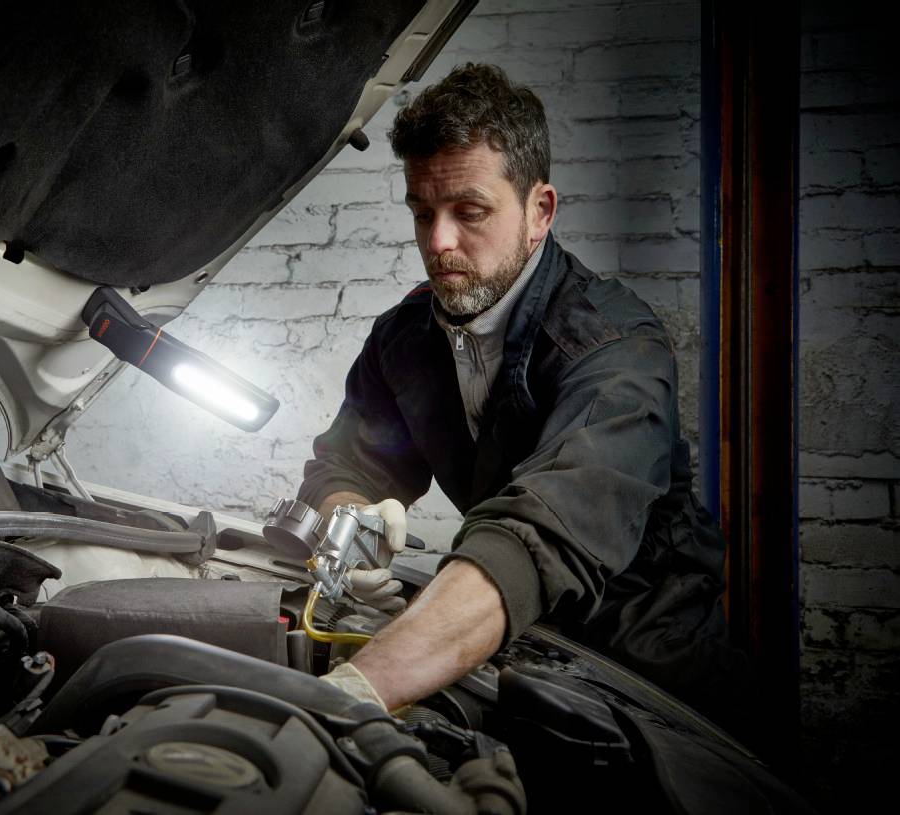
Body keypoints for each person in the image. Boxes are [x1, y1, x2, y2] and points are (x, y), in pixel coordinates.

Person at [301, 63, 745, 728]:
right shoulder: (403, 340)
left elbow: (539, 536)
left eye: (468, 211)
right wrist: (354, 525)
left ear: (539, 211)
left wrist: (349, 694)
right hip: (517, 647)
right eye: (422, 212)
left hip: (650, 678)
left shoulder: (616, 347)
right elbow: (350, 466)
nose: (437, 241)